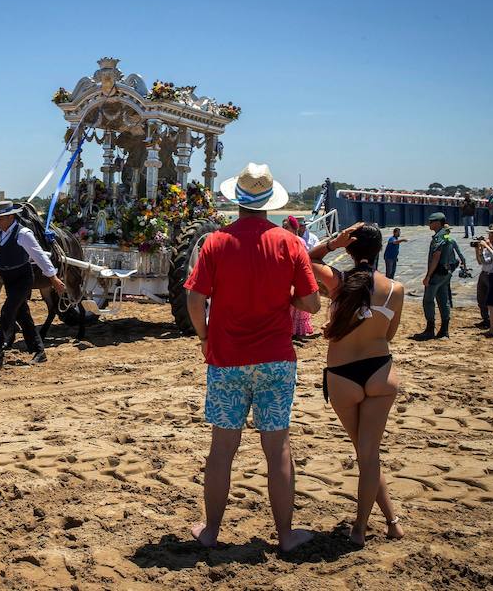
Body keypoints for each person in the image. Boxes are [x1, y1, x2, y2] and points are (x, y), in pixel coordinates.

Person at [183, 163, 321, 552]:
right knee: (277, 449)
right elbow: (311, 303)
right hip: (276, 357)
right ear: (269, 202)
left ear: (237, 200)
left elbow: (195, 298)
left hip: (226, 358)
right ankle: (286, 535)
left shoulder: (216, 241)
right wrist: (284, 297)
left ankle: (211, 531)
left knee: (222, 449)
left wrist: (205, 337)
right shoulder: (290, 242)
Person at [308, 223, 405, 546]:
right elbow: (388, 336)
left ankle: (360, 531)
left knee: (364, 454)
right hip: (380, 370)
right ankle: (388, 522)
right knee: (369, 454)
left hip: (342, 374)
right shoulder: (395, 289)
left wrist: (332, 244)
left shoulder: (339, 282)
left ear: (350, 249)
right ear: (379, 250)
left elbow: (306, 260)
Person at [0, 200, 67, 368]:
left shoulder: (24, 234)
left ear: (11, 217)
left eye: (0, 218)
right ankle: (39, 351)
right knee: (23, 315)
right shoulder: (0, 232)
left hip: (22, 279)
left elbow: (40, 257)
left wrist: (53, 277)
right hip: (9, 279)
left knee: (7, 311)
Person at [412, 213, 457, 340]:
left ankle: (430, 329)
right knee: (443, 300)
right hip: (445, 273)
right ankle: (444, 331)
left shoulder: (438, 237)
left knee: (428, 300)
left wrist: (428, 276)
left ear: (438, 223)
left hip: (436, 274)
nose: (429, 223)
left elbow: (436, 257)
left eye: (431, 221)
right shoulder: (447, 236)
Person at [476, 226, 493, 336]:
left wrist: (488, 246)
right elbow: (485, 262)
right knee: (490, 303)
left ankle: (492, 329)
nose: (490, 236)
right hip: (489, 275)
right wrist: (479, 250)